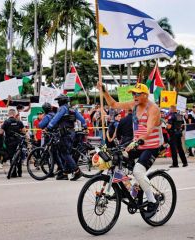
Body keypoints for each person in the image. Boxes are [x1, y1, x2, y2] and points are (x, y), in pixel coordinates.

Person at [98, 82, 161, 218]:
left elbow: (149, 129)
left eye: (137, 93)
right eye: (133, 93)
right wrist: (105, 92)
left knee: (138, 170)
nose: (134, 96)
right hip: (136, 145)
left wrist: (138, 140)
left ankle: (152, 201)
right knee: (116, 159)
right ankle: (128, 188)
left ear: (145, 95)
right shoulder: (134, 105)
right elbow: (114, 105)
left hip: (151, 146)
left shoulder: (153, 109)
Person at [47, 95, 87, 181]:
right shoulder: (73, 109)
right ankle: (64, 173)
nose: (57, 103)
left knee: (64, 153)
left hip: (64, 133)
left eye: (58, 101)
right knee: (65, 153)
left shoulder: (63, 109)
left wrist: (49, 127)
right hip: (72, 133)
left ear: (61, 101)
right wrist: (85, 126)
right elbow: (82, 119)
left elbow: (55, 118)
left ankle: (77, 171)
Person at [39, 102, 64, 178]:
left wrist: (43, 118)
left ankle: (53, 171)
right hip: (57, 136)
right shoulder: (55, 115)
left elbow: (41, 125)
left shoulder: (47, 116)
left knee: (50, 154)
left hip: (49, 137)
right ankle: (59, 169)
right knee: (55, 154)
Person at [0, 109, 25, 178]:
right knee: (18, 156)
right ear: (14, 114)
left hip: (9, 142)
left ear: (9, 114)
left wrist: (1, 126)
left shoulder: (6, 122)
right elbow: (24, 131)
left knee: (12, 157)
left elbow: (0, 132)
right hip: (18, 141)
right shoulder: (19, 122)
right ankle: (20, 172)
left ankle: (13, 173)